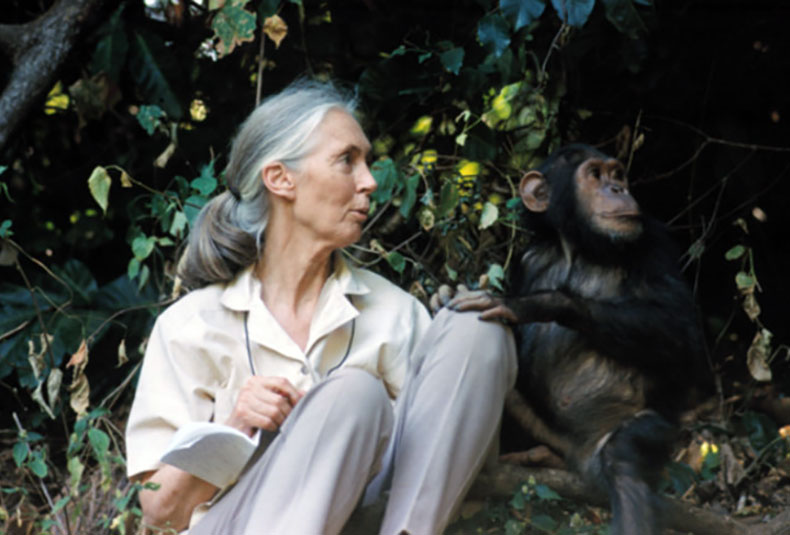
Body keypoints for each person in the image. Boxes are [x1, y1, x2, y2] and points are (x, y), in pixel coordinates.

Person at [125, 79, 517, 535]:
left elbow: (444, 446)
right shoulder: (192, 326)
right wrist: (235, 428)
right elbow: (158, 515)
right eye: (346, 161)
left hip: (383, 522)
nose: (370, 181)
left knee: (475, 328)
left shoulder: (397, 313)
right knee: (354, 394)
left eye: (366, 162)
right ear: (280, 179)